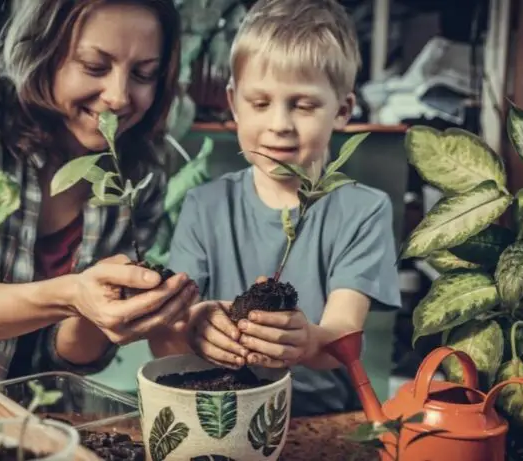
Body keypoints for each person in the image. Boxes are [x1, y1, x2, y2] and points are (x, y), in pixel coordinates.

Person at [0, 0, 198, 383]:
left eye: (144, 74)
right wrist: (73, 294)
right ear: (42, 51)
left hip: (43, 417)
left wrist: (110, 311)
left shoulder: (140, 170)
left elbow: (71, 355)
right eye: (94, 67)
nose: (118, 97)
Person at [159, 0, 403, 417]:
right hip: (218, 411)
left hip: (319, 414)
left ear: (342, 111)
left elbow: (343, 333)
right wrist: (195, 325)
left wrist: (307, 341)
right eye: (260, 103)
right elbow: (167, 336)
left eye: (303, 105)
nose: (279, 125)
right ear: (234, 104)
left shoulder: (364, 210)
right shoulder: (204, 205)